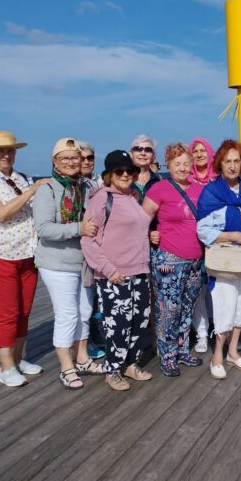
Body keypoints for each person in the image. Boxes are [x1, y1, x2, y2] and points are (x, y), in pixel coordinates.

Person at [0, 130, 50, 387]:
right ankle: (5, 369)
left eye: (10, 150)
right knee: (9, 313)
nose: (6, 155)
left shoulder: (22, 178)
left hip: (27, 253)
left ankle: (17, 360)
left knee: (24, 312)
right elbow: (0, 214)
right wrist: (33, 190)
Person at [33, 138, 104, 390]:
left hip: (83, 261)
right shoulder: (48, 190)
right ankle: (66, 367)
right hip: (56, 262)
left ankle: (82, 358)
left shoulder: (88, 186)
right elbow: (43, 228)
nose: (72, 162)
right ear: (55, 161)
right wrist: (78, 228)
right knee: (67, 315)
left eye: (75, 157)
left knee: (84, 312)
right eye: (65, 158)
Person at [81, 150, 154, 391]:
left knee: (139, 322)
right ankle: (113, 369)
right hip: (114, 274)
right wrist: (108, 270)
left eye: (129, 171)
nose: (125, 175)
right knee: (118, 325)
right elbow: (87, 241)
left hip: (140, 270)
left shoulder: (132, 197)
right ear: (109, 175)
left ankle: (130, 364)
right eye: (119, 171)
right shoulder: (102, 198)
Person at [197, 140, 241, 379]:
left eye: (236, 161)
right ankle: (217, 356)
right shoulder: (211, 192)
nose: (233, 166)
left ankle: (233, 351)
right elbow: (203, 231)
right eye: (227, 162)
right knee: (225, 305)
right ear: (220, 164)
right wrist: (233, 235)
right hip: (225, 259)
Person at [142, 143, 204, 376]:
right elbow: (142, 220)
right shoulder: (159, 189)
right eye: (177, 164)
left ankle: (182, 350)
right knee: (169, 309)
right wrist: (151, 233)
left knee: (187, 307)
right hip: (169, 258)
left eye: (186, 164)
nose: (182, 168)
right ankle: (167, 356)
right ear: (168, 165)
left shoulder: (199, 189)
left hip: (196, 259)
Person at [76, 142, 106, 360]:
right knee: (81, 301)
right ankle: (82, 345)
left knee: (94, 299)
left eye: (90, 158)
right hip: (77, 248)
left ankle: (94, 337)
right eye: (82, 157)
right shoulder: (75, 184)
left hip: (98, 248)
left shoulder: (98, 182)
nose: (86, 161)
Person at [188, 137, 217, 353]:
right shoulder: (186, 181)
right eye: (195, 151)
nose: (199, 154)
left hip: (216, 243)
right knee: (197, 290)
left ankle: (219, 327)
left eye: (202, 150)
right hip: (192, 243)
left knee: (216, 288)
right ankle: (202, 334)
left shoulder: (218, 180)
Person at [130, 134, 162, 203]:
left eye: (148, 150)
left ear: (153, 156)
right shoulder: (123, 179)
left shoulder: (159, 181)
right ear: (132, 154)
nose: (143, 153)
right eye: (138, 149)